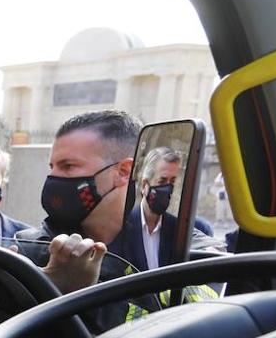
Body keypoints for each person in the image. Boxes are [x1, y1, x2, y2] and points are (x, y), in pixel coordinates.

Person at [14, 110, 217, 325]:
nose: (53, 178)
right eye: (52, 167)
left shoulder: (187, 246)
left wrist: (81, 297)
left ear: (123, 171)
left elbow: (192, 328)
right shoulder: (32, 250)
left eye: (68, 166)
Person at [129, 146, 181, 271]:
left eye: (172, 182)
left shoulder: (177, 228)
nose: (168, 188)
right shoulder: (122, 228)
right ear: (144, 185)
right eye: (162, 181)